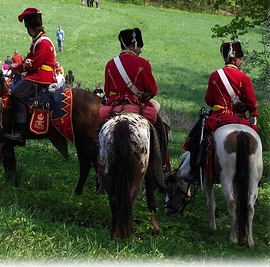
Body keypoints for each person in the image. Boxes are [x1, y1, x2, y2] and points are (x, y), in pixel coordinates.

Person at [183, 41, 258, 185]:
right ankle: (255, 173)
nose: (241, 62)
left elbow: (209, 100)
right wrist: (252, 115)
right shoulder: (243, 78)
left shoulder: (215, 76)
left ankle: (195, 172)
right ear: (234, 58)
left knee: (195, 138)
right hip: (239, 119)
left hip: (218, 118)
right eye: (240, 58)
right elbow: (252, 103)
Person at [103, 28, 167, 169]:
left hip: (115, 106)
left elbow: (107, 91)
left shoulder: (110, 64)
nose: (140, 51)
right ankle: (160, 167)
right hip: (138, 105)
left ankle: (100, 169)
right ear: (132, 46)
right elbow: (153, 90)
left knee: (99, 131)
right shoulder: (142, 63)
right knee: (160, 128)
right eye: (139, 47)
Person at [4, 8, 56, 146]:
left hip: (41, 77)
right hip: (37, 74)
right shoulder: (37, 41)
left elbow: (34, 64)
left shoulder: (43, 43)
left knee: (18, 95)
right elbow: (29, 58)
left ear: (30, 28)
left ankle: (20, 132)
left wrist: (19, 67)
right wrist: (22, 64)